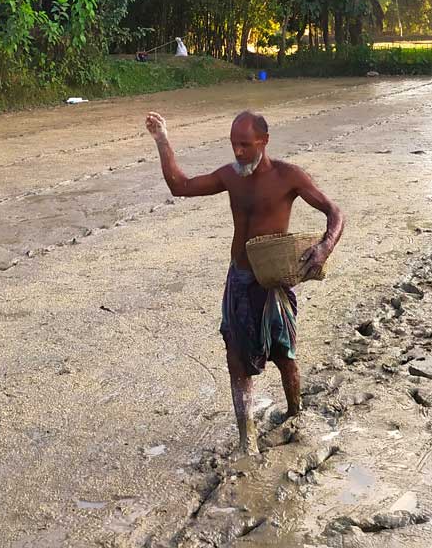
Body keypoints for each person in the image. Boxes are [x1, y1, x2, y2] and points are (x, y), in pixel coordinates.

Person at [144, 110, 344, 456]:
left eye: (245, 145)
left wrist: (324, 247)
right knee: (235, 357)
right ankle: (246, 437)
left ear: (264, 142)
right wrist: (162, 139)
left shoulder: (288, 176)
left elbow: (334, 212)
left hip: (274, 280)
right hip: (239, 278)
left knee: (285, 354)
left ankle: (295, 413)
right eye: (234, 145)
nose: (238, 152)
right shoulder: (230, 177)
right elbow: (180, 186)